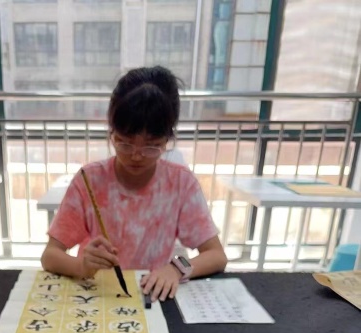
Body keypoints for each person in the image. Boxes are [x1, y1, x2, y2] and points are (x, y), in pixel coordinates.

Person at [41, 66, 227, 302]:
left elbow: (216, 255)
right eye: (125, 143)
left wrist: (176, 268)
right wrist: (81, 266)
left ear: (168, 139)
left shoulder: (180, 183)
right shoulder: (90, 180)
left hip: (152, 296)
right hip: (97, 299)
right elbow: (50, 256)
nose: (136, 156)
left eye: (152, 146)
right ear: (112, 132)